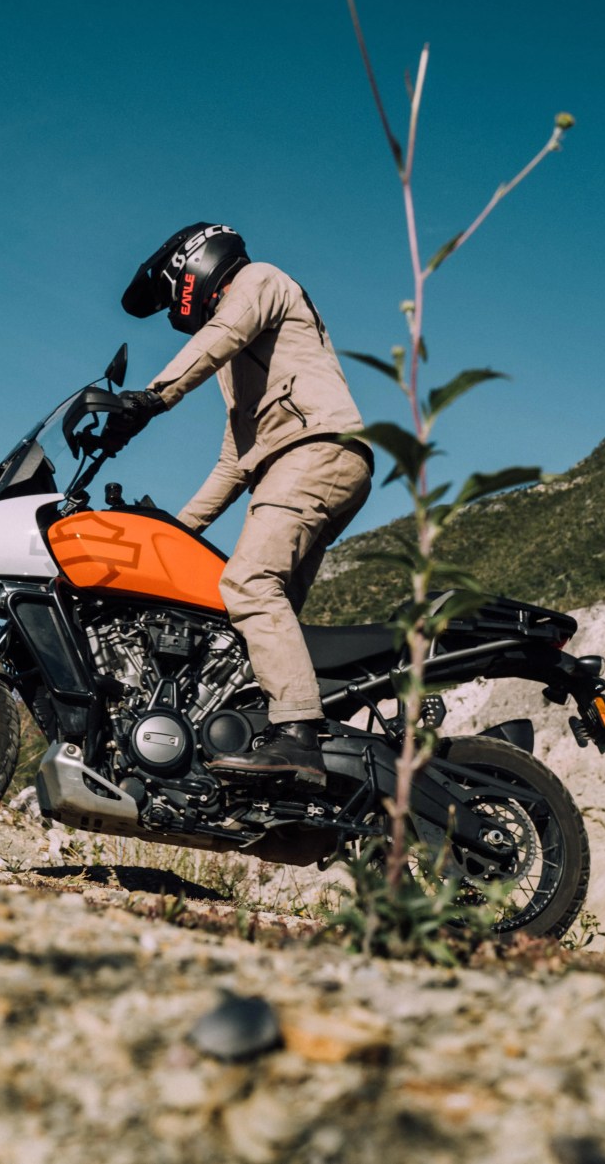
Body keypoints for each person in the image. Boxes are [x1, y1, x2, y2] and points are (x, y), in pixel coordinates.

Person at [109, 222, 372, 786]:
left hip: (314, 454)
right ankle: (282, 755)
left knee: (249, 585)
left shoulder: (259, 281)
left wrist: (152, 397)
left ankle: (298, 735)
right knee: (255, 622)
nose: (174, 311)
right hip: (303, 464)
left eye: (171, 294)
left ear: (193, 265)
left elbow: (221, 332)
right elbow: (235, 461)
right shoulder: (239, 358)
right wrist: (170, 531)